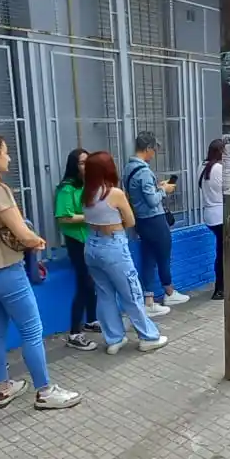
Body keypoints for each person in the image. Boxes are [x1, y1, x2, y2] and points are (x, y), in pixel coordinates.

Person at [0, 133, 80, 411]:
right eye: (5, 152)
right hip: (5, 272)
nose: (9, 158)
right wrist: (36, 240)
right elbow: (22, 233)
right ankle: (45, 391)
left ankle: (3, 387)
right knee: (32, 330)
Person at [82, 151, 169, 354]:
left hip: (92, 246)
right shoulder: (114, 193)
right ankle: (148, 336)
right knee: (131, 293)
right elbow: (130, 221)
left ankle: (114, 338)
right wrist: (115, 226)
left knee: (104, 294)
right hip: (113, 247)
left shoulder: (86, 193)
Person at [124, 131, 188, 318]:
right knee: (163, 255)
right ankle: (169, 292)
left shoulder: (129, 168)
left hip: (141, 220)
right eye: (154, 150)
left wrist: (157, 187)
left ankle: (149, 300)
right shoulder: (143, 171)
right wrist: (164, 190)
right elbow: (152, 201)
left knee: (149, 258)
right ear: (148, 148)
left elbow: (139, 194)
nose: (154, 154)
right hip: (154, 219)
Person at [53, 148, 102, 353]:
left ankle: (91, 320)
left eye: (88, 162)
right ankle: (74, 333)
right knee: (84, 284)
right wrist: (88, 217)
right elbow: (63, 217)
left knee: (92, 282)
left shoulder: (88, 185)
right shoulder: (67, 188)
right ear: (74, 166)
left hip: (90, 239)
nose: (86, 166)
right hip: (76, 241)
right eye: (82, 163)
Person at [200, 138, 226, 300]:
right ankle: (220, 288)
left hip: (209, 214)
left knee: (221, 251)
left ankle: (222, 286)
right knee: (223, 254)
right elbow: (229, 190)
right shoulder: (218, 168)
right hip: (220, 214)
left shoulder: (202, 166)